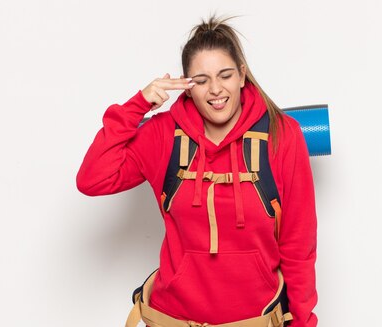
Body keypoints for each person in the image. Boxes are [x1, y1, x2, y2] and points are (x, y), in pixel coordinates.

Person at [76, 15, 318, 327]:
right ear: (186, 87)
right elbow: (92, 179)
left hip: (254, 320)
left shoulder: (282, 134)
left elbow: (299, 246)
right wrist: (138, 105)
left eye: (226, 75)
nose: (216, 90)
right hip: (170, 318)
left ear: (243, 76)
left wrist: (302, 322)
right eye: (201, 81)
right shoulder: (163, 135)